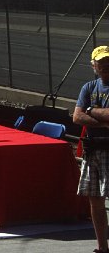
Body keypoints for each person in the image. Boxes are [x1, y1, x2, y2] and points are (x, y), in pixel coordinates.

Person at [73, 45, 109, 253]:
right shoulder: (89, 87)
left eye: (108, 62)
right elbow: (77, 117)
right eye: (101, 63)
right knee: (95, 200)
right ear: (93, 66)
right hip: (92, 150)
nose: (105, 66)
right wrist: (99, 117)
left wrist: (89, 110)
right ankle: (102, 247)